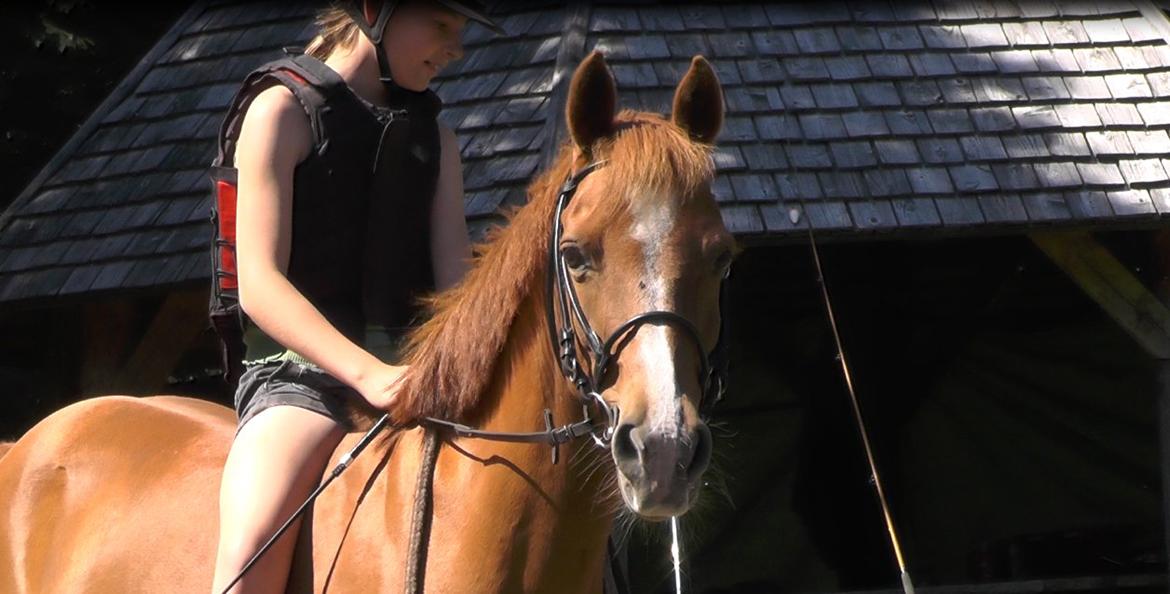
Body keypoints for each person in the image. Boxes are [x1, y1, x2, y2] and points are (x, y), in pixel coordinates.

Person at [209, 2, 501, 592]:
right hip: (299, 384)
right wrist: (369, 375)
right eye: (443, 26)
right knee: (247, 562)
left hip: (417, 385)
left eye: (461, 32)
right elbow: (260, 284)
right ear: (376, 11)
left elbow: (457, 287)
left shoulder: (437, 140)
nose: (456, 49)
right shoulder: (280, 112)